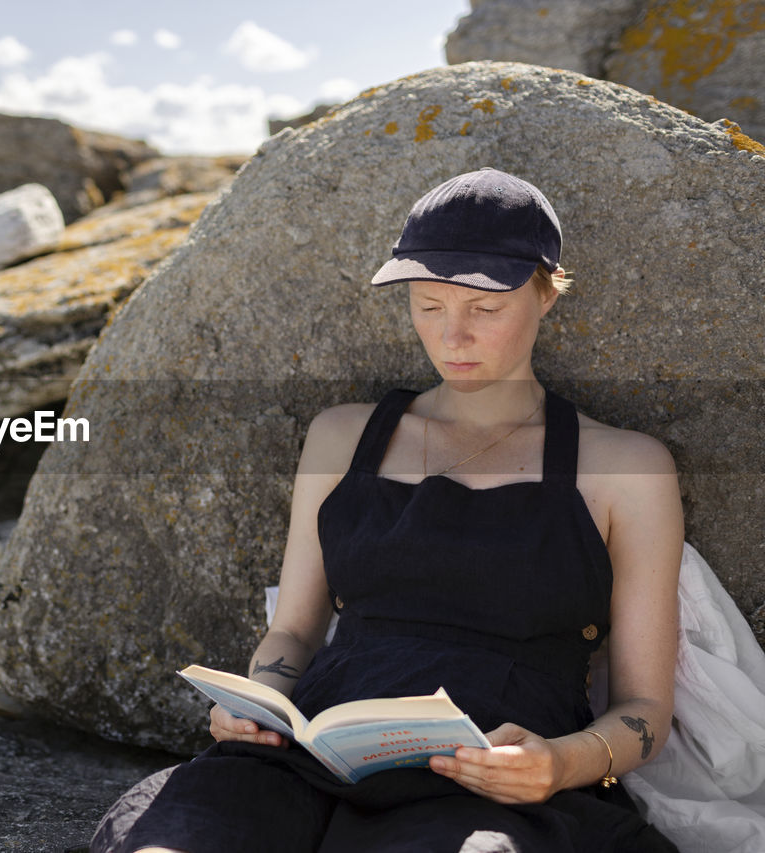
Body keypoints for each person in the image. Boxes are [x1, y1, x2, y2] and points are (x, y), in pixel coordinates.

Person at [90, 167, 684, 853]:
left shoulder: (625, 466)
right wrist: (255, 706)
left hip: (487, 787)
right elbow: (292, 633)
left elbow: (645, 708)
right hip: (308, 755)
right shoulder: (343, 436)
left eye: (484, 309)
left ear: (547, 292)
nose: (452, 336)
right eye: (429, 306)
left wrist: (559, 764)